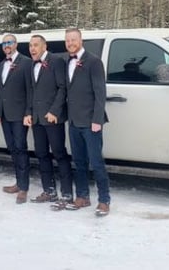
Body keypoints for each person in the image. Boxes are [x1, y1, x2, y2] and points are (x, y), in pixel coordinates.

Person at [61, 27, 111, 217]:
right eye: (67, 40)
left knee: (96, 163)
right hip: (73, 121)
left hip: (91, 122)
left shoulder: (94, 62)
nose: (70, 43)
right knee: (79, 162)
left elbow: (100, 93)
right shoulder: (66, 61)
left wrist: (97, 119)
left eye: (73, 39)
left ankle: (104, 200)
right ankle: (82, 196)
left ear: (81, 40)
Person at [23, 34, 73, 205]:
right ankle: (48, 191)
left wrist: (54, 111)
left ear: (44, 46)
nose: (32, 48)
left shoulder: (57, 61)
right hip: (36, 118)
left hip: (52, 118)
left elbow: (62, 88)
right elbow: (31, 91)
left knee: (59, 154)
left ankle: (66, 194)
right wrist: (28, 112)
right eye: (30, 45)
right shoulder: (31, 65)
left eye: (36, 45)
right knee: (42, 154)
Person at [0, 33, 33, 204]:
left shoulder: (26, 62)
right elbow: (0, 91)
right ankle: (18, 183)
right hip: (5, 115)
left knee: (21, 148)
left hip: (19, 115)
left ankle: (24, 188)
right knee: (12, 148)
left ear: (16, 44)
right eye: (4, 43)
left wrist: (28, 113)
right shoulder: (2, 63)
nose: (7, 45)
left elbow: (30, 91)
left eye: (9, 42)